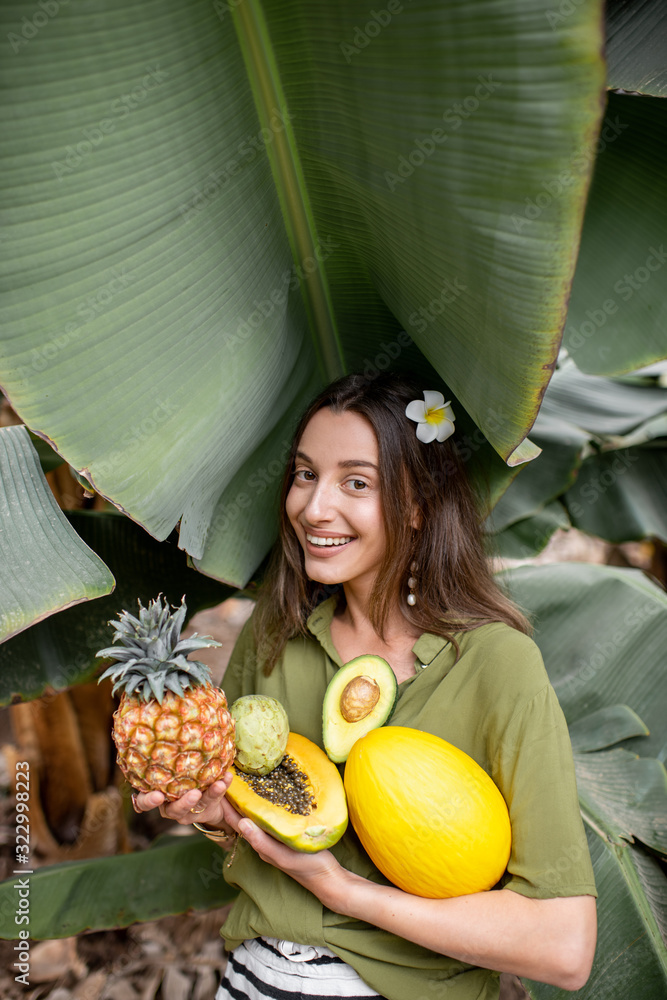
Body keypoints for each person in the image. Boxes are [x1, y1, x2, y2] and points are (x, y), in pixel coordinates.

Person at [134, 373, 597, 1000]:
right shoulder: (275, 635)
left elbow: (563, 948)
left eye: (357, 482)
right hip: (255, 980)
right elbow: (252, 814)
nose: (314, 507)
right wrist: (216, 814)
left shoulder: (498, 664)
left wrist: (345, 891)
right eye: (305, 474)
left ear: (417, 504)